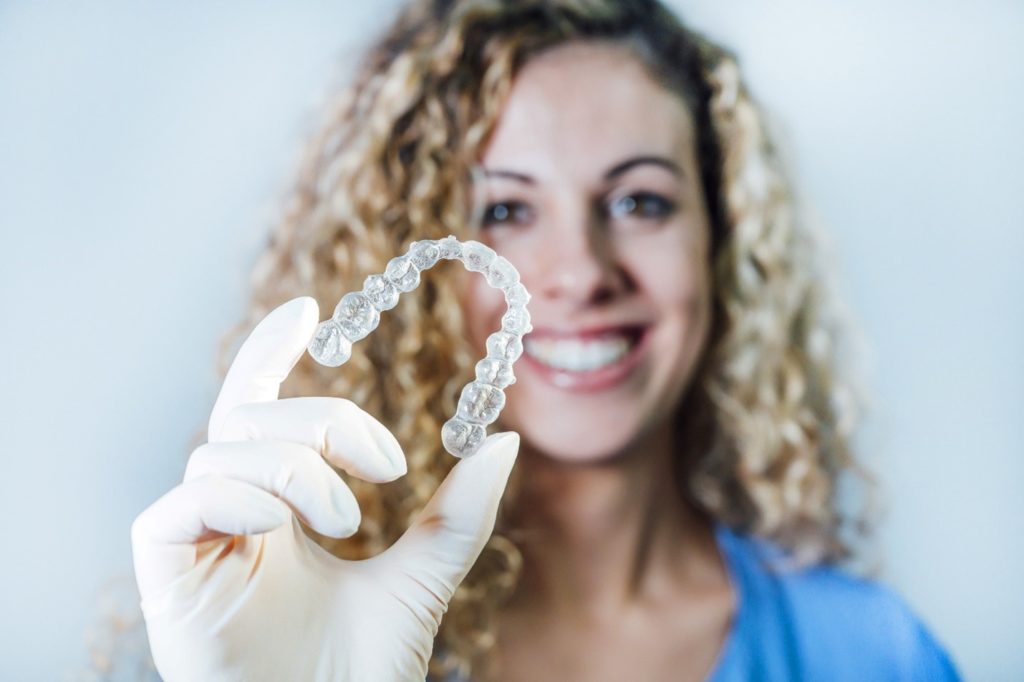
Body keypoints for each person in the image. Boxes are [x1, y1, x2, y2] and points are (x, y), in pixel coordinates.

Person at [122, 0, 962, 680]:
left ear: (724, 244)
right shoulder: (294, 618)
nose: (578, 272)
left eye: (640, 202)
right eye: (506, 211)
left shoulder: (873, 655)